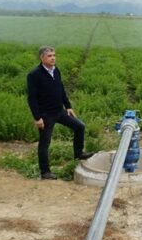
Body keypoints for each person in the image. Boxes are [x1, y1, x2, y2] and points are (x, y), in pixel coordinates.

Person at [26, 45, 94, 180]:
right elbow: (31, 98)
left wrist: (68, 106)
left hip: (59, 111)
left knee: (79, 126)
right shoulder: (34, 75)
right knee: (45, 143)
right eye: (49, 56)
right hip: (46, 115)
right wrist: (37, 118)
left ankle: (79, 153)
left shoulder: (56, 70)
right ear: (42, 58)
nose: (53, 58)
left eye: (54, 55)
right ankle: (45, 172)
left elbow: (61, 89)